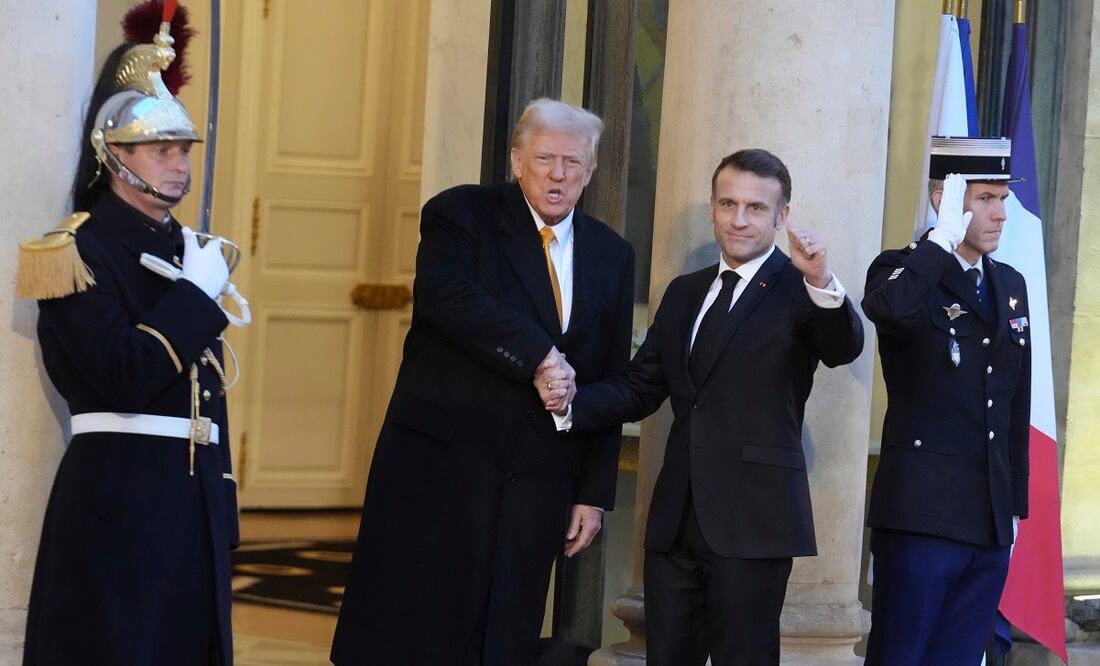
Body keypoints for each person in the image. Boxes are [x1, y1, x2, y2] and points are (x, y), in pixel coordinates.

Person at [330, 98, 635, 666]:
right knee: (413, 632)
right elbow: (452, 300)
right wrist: (540, 356)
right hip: (442, 471)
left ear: (591, 173)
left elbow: (609, 373)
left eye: (573, 162)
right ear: (517, 161)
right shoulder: (460, 215)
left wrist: (592, 493)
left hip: (536, 482)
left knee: (503, 638)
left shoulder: (612, 255)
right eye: (545, 157)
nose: (558, 173)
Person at [536, 149, 864, 666]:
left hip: (752, 522)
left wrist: (821, 280)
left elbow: (843, 346)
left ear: (782, 217)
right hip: (675, 521)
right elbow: (641, 386)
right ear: (712, 207)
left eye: (756, 208)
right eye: (728, 202)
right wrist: (569, 401)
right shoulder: (685, 292)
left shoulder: (802, 290)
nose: (738, 219)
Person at [18, 8, 240, 665]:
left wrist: (221, 506)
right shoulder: (79, 250)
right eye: (160, 150)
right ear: (115, 154)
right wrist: (198, 296)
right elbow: (124, 371)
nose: (177, 165)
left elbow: (206, 396)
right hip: (119, 498)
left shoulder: (183, 246)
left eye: (183, 150)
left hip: (192, 501)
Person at [861, 136, 1031, 665]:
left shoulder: (1010, 284)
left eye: (1002, 197)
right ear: (944, 199)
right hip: (922, 513)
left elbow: (1013, 404)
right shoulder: (902, 270)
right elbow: (888, 311)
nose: (1001, 214)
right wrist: (939, 244)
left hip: (987, 515)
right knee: (901, 655)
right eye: (985, 198)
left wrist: (1014, 505)